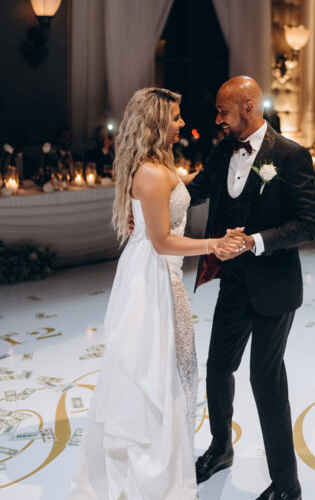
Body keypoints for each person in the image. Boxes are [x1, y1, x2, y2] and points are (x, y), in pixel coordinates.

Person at [68, 87, 243, 500]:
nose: (182, 123)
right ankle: (151, 470)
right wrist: (214, 244)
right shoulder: (152, 172)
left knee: (163, 364)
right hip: (153, 278)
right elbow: (162, 241)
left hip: (153, 270)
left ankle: (157, 456)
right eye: (176, 117)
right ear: (157, 121)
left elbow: (171, 203)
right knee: (155, 369)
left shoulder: (155, 165)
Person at [189, 76, 315, 500]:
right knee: (217, 368)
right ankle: (220, 448)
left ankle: (287, 485)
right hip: (233, 283)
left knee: (266, 381)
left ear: (248, 107)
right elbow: (195, 191)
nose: (217, 118)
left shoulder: (290, 155)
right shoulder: (221, 151)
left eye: (222, 110)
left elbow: (309, 224)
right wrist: (150, 197)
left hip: (275, 287)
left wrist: (255, 241)